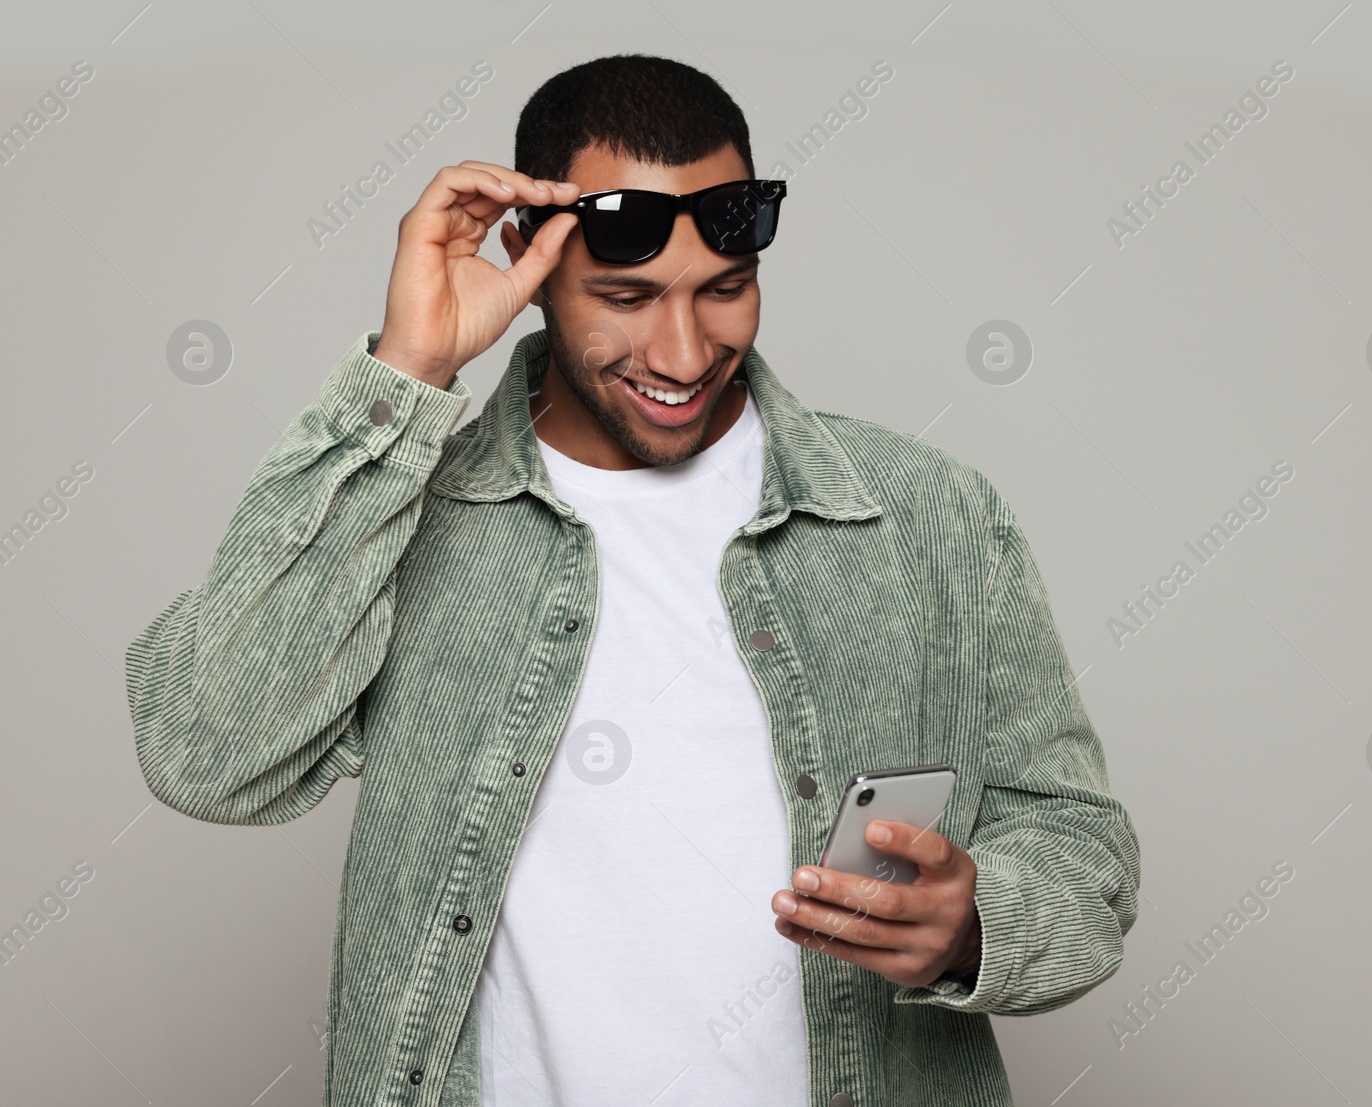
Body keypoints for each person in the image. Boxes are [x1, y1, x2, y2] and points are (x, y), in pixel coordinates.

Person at [124, 53, 1140, 1107]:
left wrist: (973, 927)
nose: (685, 348)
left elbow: (1081, 847)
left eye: (725, 290)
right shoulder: (412, 521)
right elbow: (210, 753)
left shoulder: (926, 517)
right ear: (528, 255)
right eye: (626, 295)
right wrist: (405, 373)